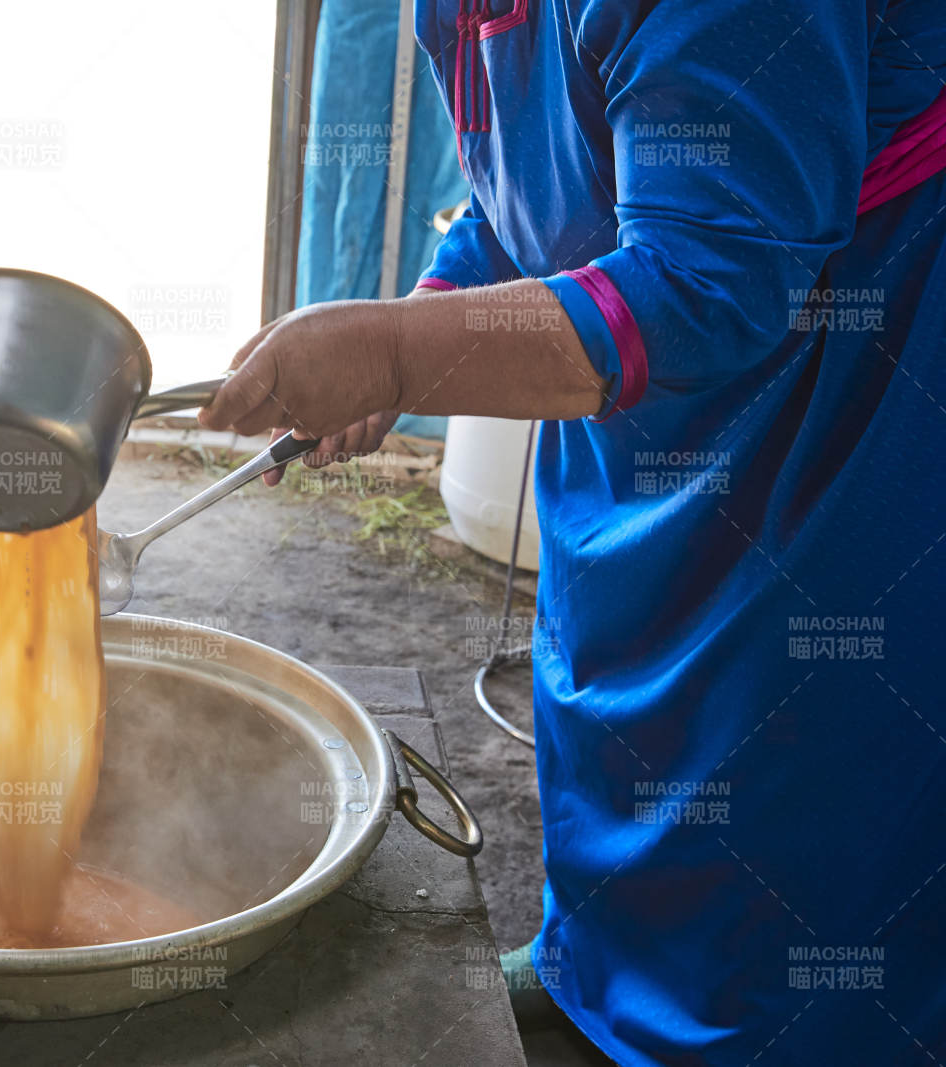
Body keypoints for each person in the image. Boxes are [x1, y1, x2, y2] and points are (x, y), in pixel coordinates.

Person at [200, 2, 946, 1063]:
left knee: (779, 735)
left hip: (837, 379)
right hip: (634, 392)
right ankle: (598, 977)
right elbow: (536, 183)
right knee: (611, 693)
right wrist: (435, 303)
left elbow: (711, 284)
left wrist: (406, 354)